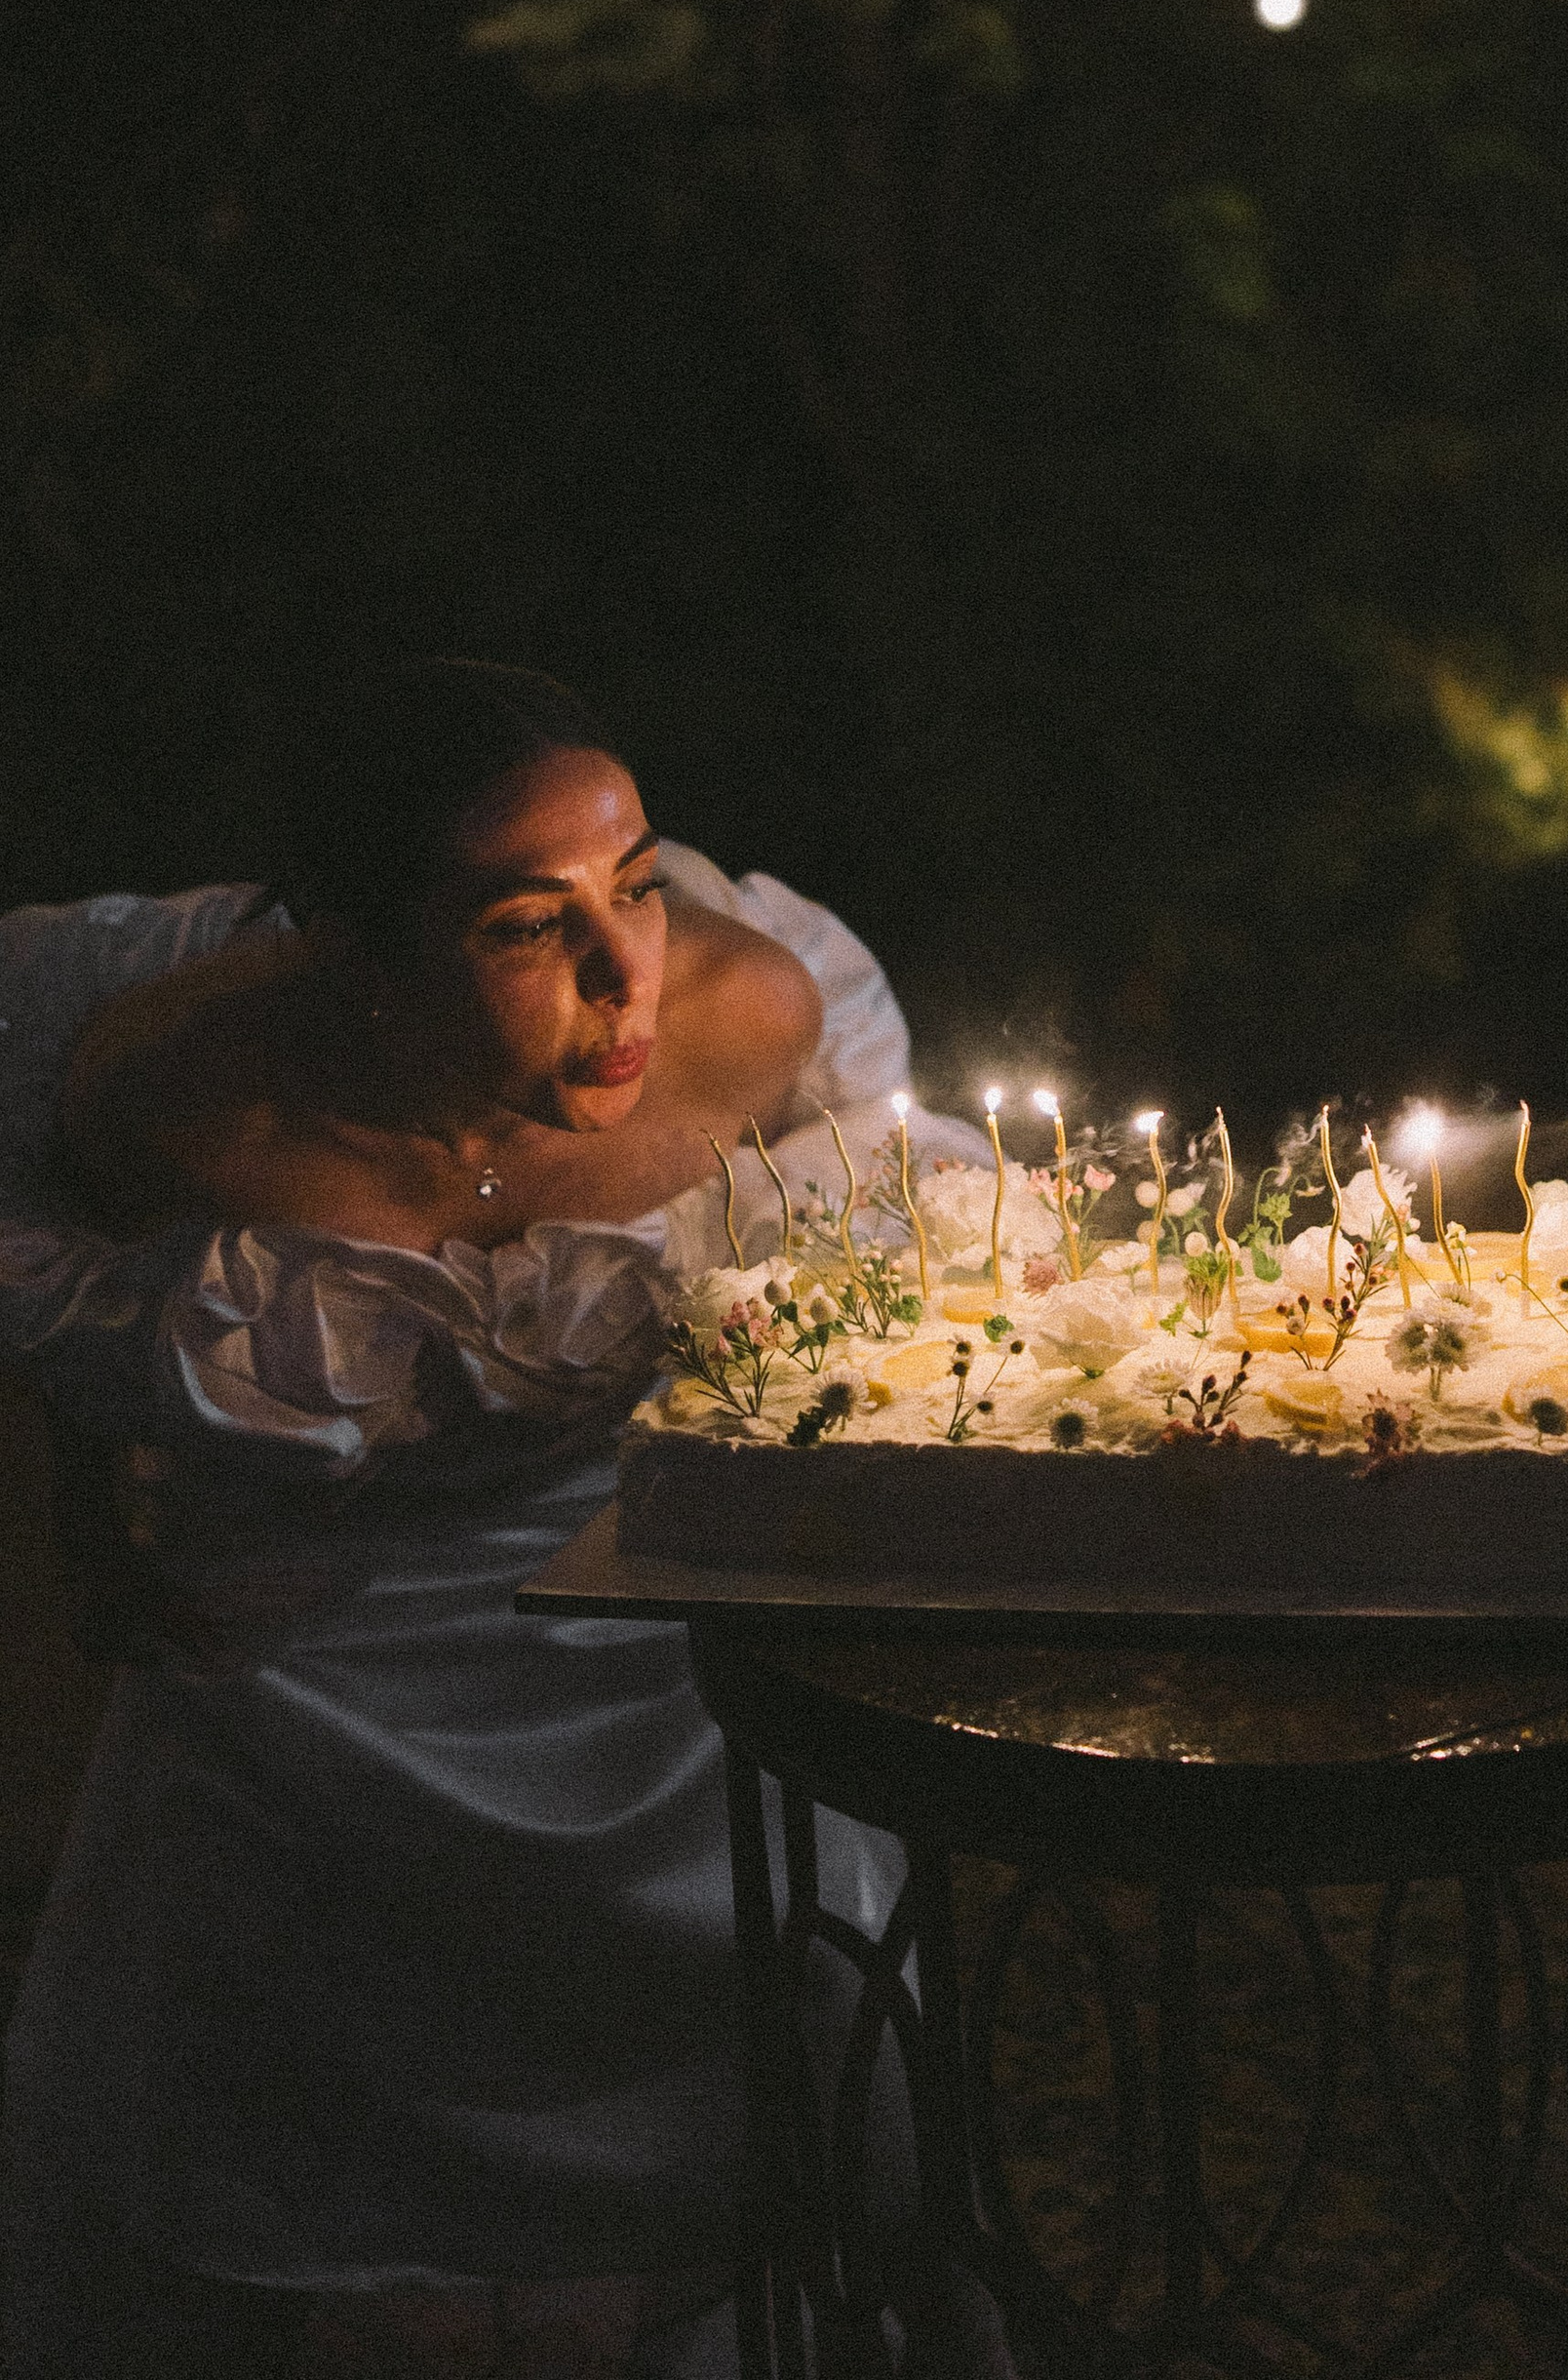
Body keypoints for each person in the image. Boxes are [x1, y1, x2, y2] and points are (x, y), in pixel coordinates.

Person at [0, 659, 984, 2380]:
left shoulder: (745, 1015)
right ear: (366, 956)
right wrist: (101, 1528)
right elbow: (72, 1330)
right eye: (531, 927)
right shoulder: (193, 1113)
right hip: (323, 1665)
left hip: (647, 1642)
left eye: (636, 883)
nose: (627, 975)